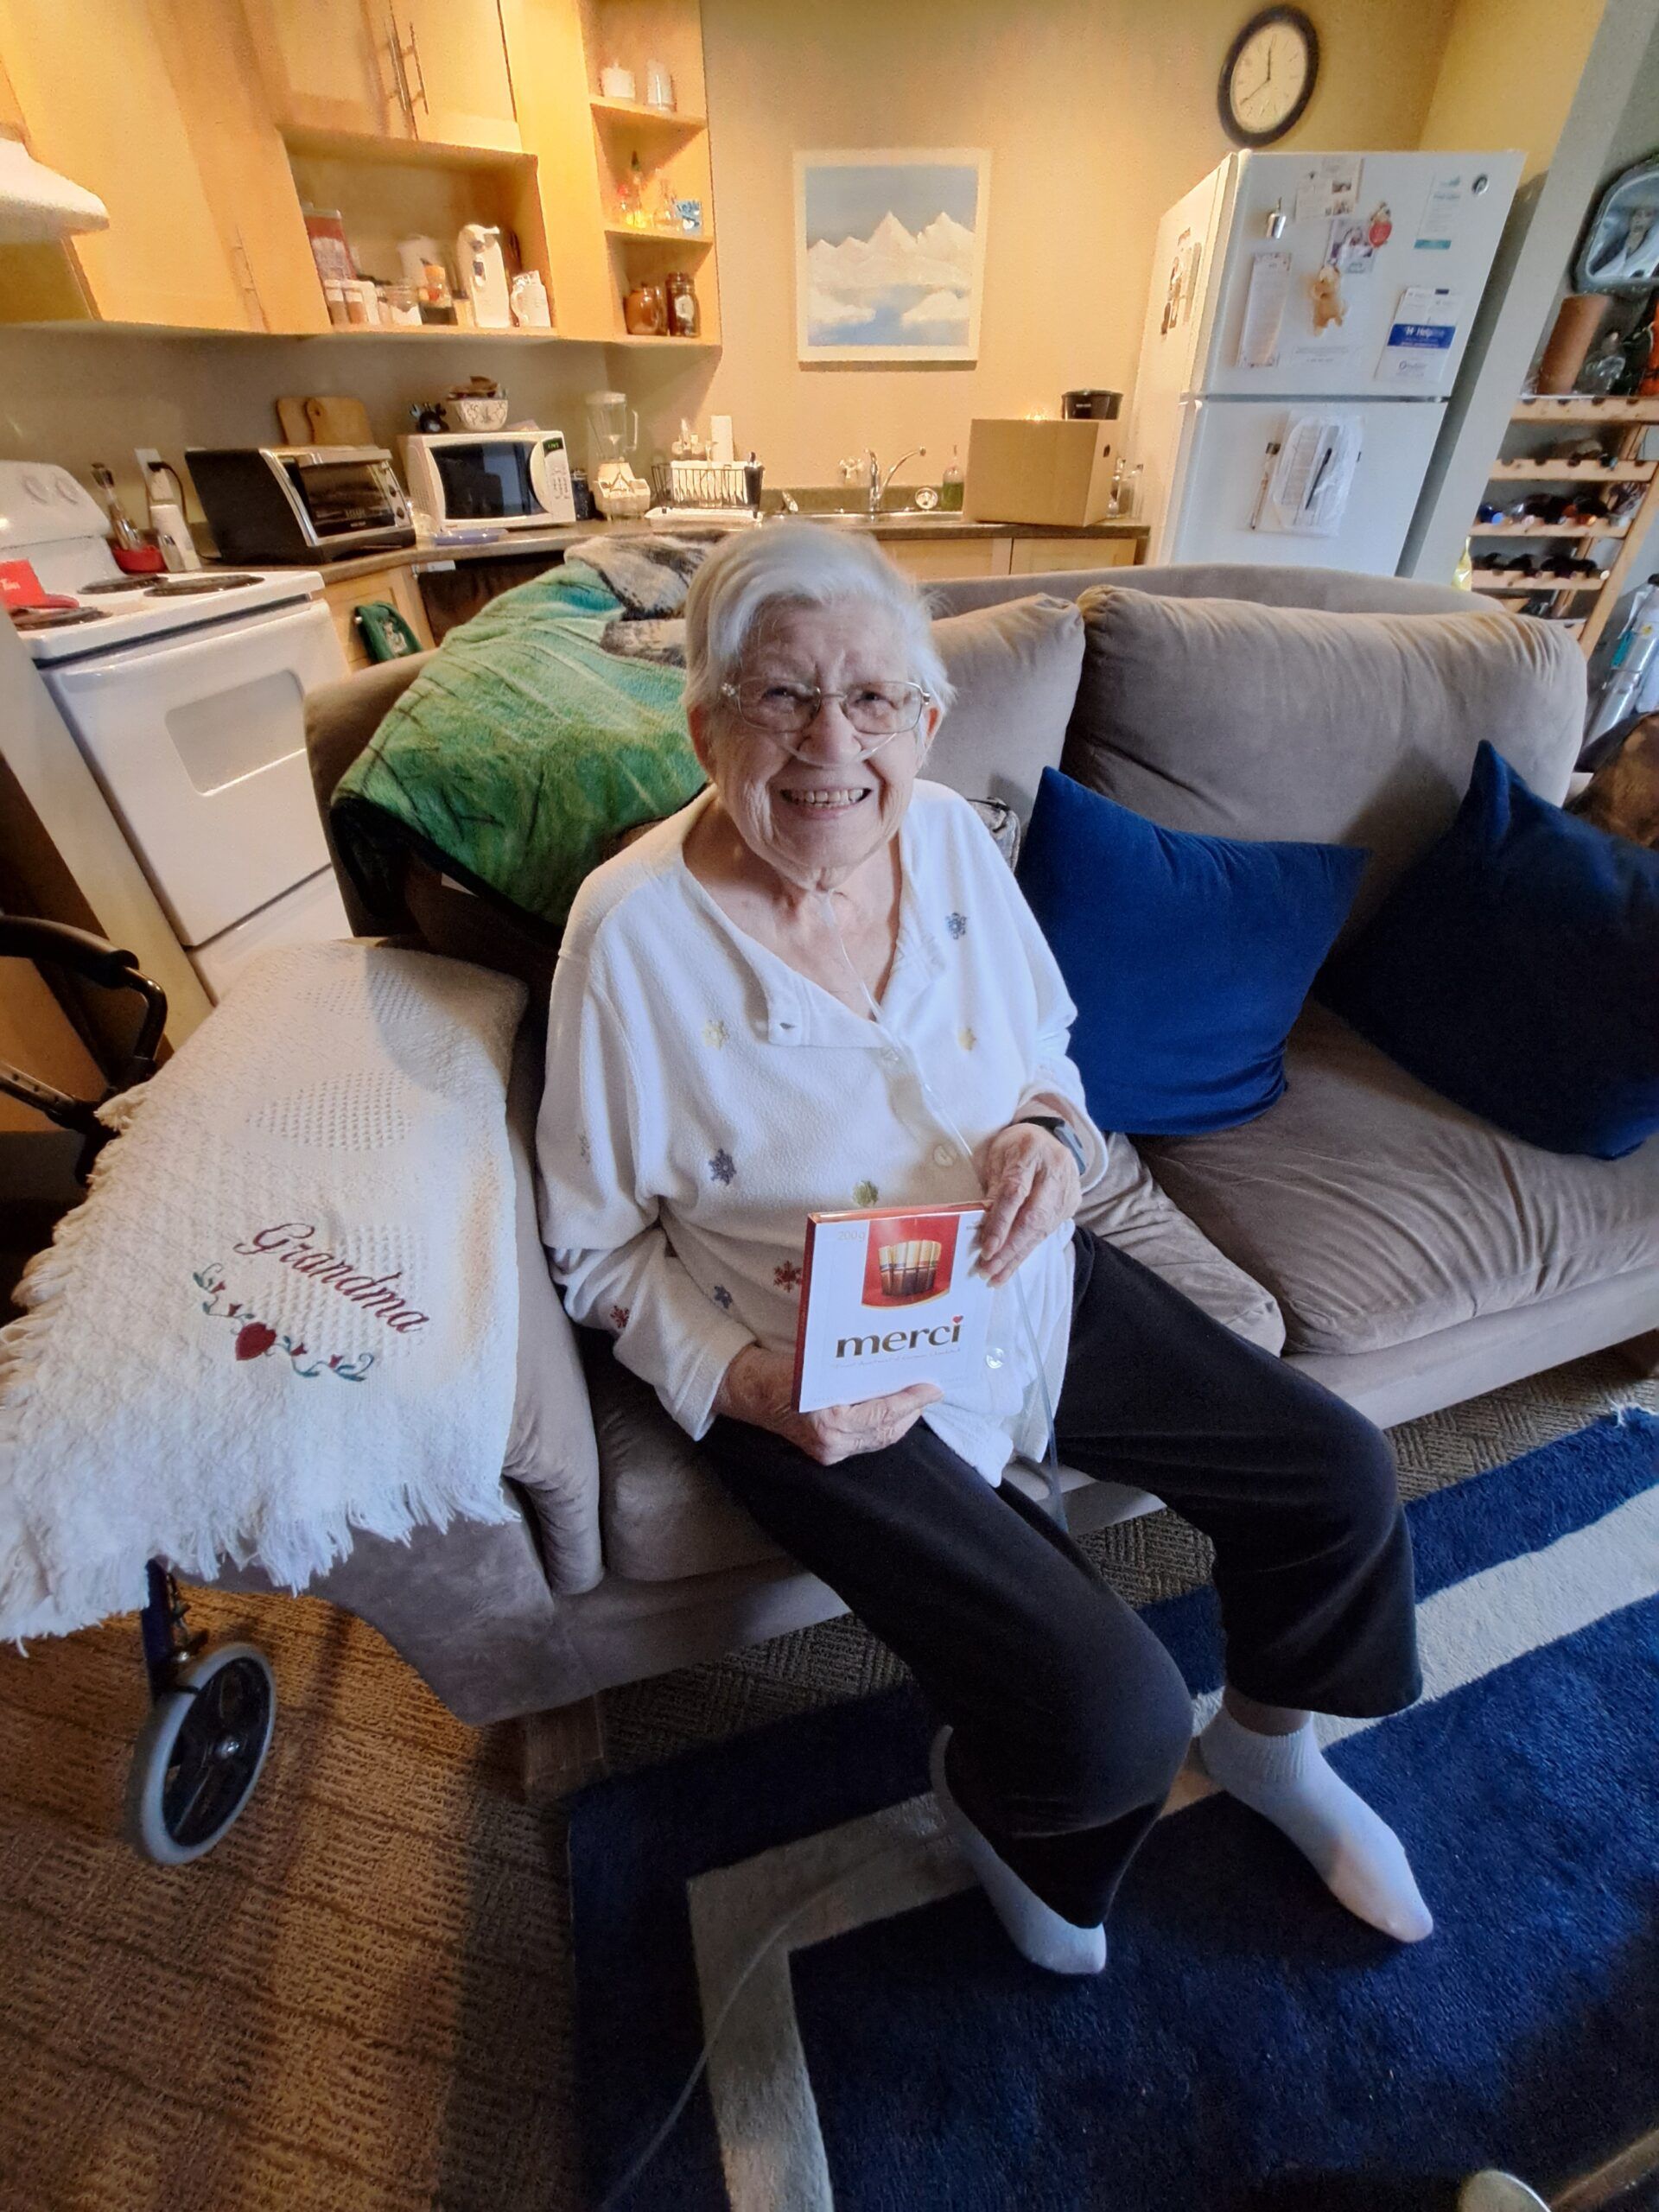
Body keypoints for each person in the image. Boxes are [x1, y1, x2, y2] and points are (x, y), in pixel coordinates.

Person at [536, 525, 1431, 1975]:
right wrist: (754, 1385)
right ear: (706, 726)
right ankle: (1003, 1808)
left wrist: (1045, 1135)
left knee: (1339, 1476)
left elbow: (1047, 1052)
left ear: (928, 721)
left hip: (1015, 1274)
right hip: (808, 1360)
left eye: (872, 700)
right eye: (781, 696)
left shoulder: (950, 835)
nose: (834, 744)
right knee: (1112, 1715)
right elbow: (593, 1251)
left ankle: (1273, 1748)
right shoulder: (630, 936)